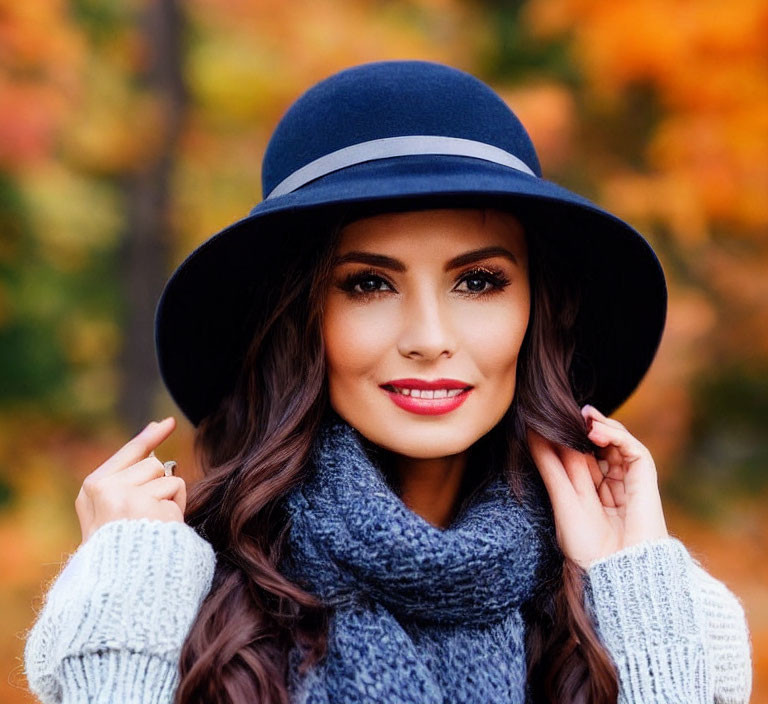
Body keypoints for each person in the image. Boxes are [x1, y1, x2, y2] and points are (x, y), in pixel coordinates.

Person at [23, 61, 753, 704]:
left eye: (479, 280)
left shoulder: (665, 613)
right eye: (369, 283)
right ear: (300, 318)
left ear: (539, 309)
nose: (431, 338)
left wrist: (632, 595)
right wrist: (128, 589)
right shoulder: (163, 601)